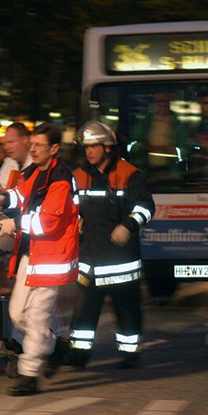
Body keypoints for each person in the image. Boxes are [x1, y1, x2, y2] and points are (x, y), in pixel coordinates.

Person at [0, 122, 79, 396]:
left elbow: (48, 222)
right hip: (33, 254)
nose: (34, 149)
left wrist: (14, 224)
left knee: (38, 318)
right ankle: (56, 345)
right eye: (33, 145)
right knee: (17, 314)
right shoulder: (37, 172)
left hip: (52, 258)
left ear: (54, 149)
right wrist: (4, 199)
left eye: (39, 145)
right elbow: (21, 193)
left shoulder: (61, 178)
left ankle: (29, 374)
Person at [67, 120, 155, 370]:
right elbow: (69, 206)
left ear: (107, 148)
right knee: (83, 312)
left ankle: (130, 353)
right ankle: (78, 354)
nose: (89, 152)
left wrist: (128, 225)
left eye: (94, 146)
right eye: (86, 147)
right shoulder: (78, 176)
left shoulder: (129, 175)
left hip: (121, 261)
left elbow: (146, 208)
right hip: (90, 259)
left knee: (127, 309)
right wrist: (77, 218)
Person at [0, 122, 35, 188]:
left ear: (26, 140)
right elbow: (0, 188)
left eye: (10, 142)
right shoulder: (9, 162)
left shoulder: (37, 163)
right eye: (5, 143)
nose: (6, 147)